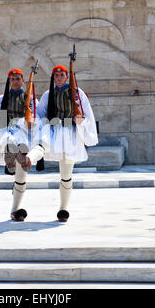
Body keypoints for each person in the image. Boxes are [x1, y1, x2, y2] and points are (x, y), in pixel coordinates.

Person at [0, 68, 45, 222]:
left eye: (18, 79)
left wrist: (32, 123)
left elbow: (40, 122)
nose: (15, 81)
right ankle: (11, 154)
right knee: (10, 140)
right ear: (9, 82)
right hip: (7, 133)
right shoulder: (0, 100)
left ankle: (15, 211)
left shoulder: (31, 99)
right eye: (13, 79)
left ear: (23, 81)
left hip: (25, 137)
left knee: (21, 177)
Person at [36, 65, 98, 222]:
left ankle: (63, 209)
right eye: (56, 75)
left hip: (70, 135)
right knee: (41, 147)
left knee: (66, 173)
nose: (58, 78)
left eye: (62, 75)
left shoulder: (77, 93)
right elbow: (40, 115)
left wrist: (81, 122)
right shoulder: (47, 95)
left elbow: (87, 114)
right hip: (53, 133)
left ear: (67, 76)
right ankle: (31, 157)